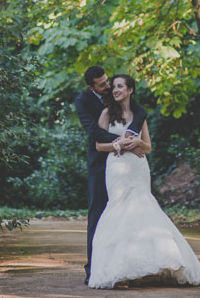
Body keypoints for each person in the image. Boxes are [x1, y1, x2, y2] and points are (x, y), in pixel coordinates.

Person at [87, 74, 200, 289]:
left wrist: (137, 142)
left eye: (119, 86)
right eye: (113, 86)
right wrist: (119, 145)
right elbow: (98, 145)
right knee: (119, 209)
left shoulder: (139, 115)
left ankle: (141, 269)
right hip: (117, 167)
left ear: (130, 90)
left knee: (142, 210)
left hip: (138, 168)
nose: (115, 90)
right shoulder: (107, 113)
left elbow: (148, 146)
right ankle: (120, 271)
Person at [74, 66, 147, 285]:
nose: (108, 86)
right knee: (97, 216)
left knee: (128, 214)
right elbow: (94, 132)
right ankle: (94, 269)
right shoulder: (83, 102)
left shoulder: (118, 93)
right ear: (91, 87)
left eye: (108, 82)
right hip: (100, 164)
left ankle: (129, 266)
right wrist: (121, 143)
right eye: (102, 84)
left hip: (128, 166)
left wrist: (134, 138)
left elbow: (141, 112)